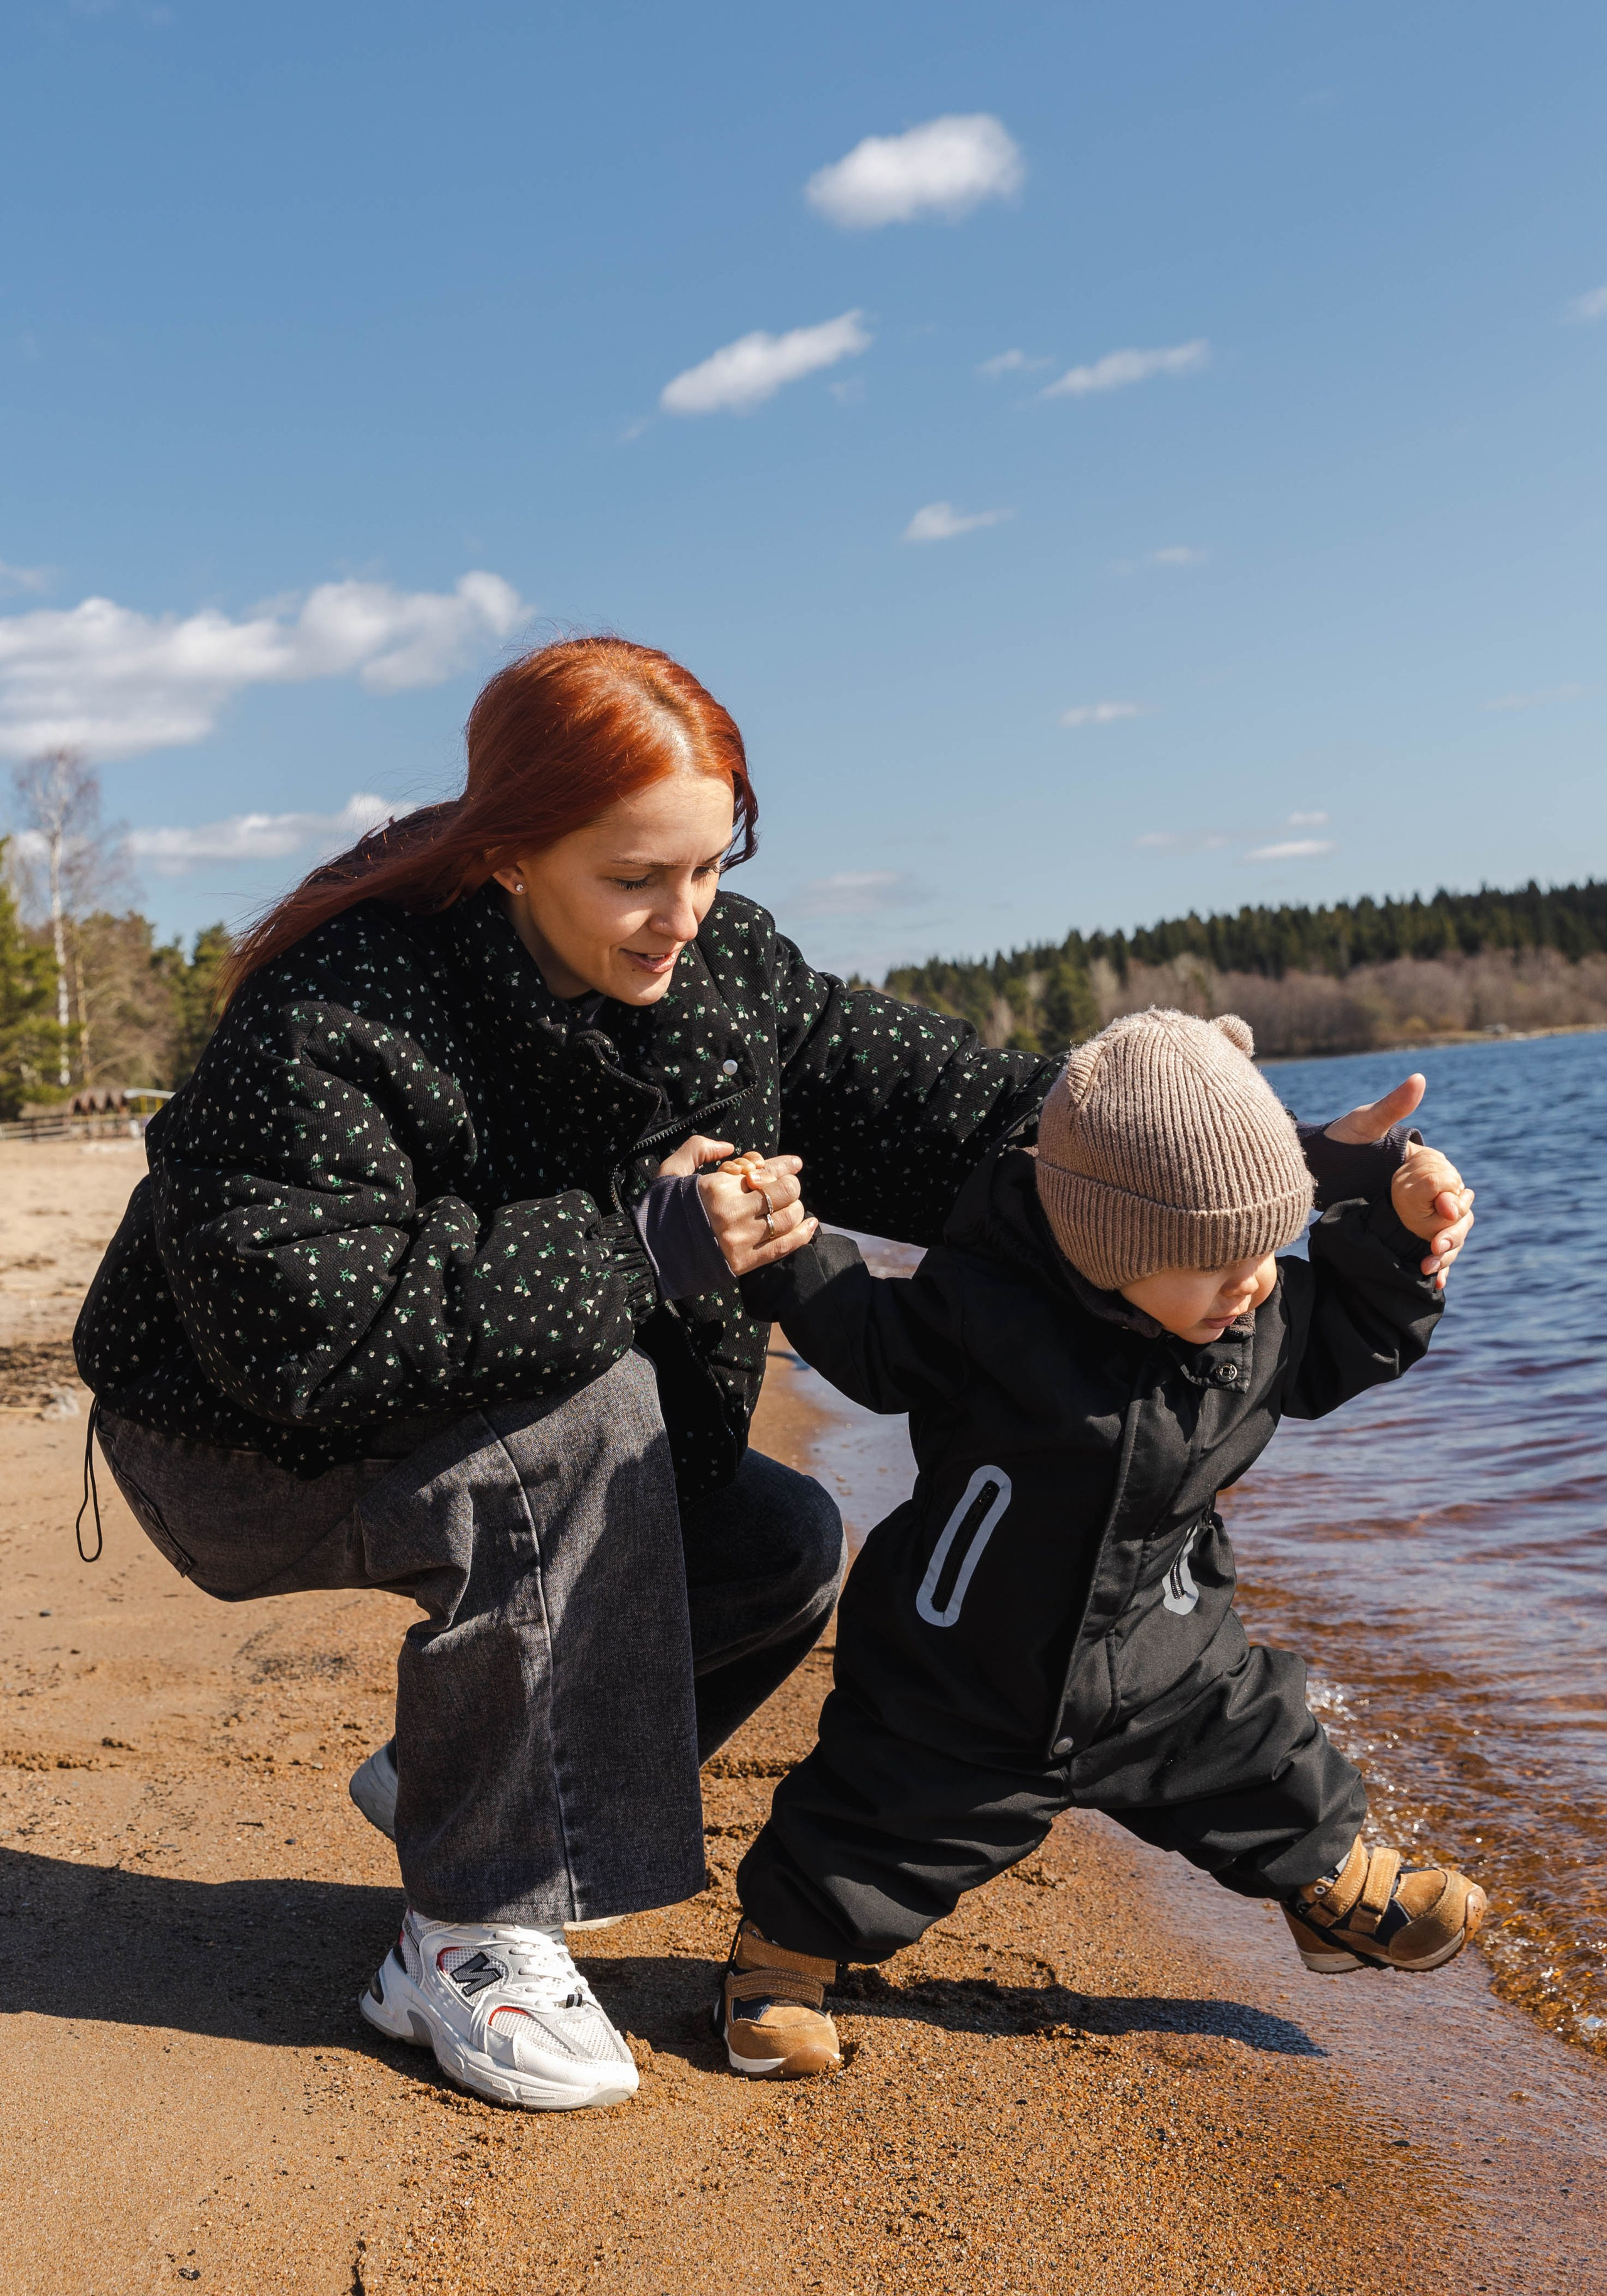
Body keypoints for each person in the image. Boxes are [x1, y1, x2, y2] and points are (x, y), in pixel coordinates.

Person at [72, 637, 1471, 2113]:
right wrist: (643, 1240)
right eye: (634, 877)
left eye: (709, 864)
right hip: (234, 1446)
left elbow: (985, 1124)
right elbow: (299, 1324)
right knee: (595, 1417)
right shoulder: (343, 1006)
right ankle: (469, 1928)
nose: (682, 914)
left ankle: (466, 1787)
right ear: (508, 853)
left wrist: (1261, 1172)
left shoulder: (723, 974)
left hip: (455, 1394)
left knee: (775, 1544)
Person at [716, 1008, 1483, 2080]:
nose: (1254, 1283)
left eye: (1268, 1250)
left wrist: (1396, 1233)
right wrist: (784, 1249)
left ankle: (1330, 1888)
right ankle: (784, 1954)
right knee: (879, 1816)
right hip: (967, 1674)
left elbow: (1359, 1327)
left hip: (1167, 1657)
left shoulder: (1253, 1322)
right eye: (1217, 1260)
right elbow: (868, 1335)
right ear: (1114, 1244)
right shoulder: (986, 1310)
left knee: (1265, 1749)